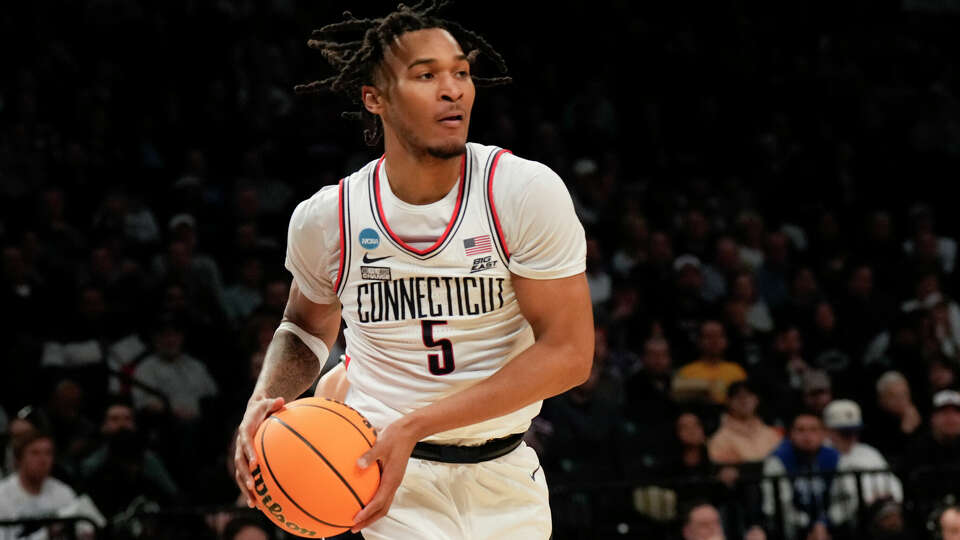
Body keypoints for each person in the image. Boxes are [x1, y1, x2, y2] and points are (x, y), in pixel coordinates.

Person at [232, 4, 593, 539]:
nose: (454, 91)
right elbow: (305, 328)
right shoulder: (328, 218)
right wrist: (262, 401)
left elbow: (569, 354)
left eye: (461, 73)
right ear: (374, 98)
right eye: (427, 75)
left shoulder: (520, 193)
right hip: (376, 475)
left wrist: (417, 424)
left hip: (505, 474)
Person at [821, 399, 902, 530]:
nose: (852, 437)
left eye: (855, 431)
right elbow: (846, 492)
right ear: (828, 431)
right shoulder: (822, 455)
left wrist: (887, 499)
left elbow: (893, 484)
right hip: (844, 521)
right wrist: (870, 499)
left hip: (880, 512)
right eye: (845, 432)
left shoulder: (867, 451)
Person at [762, 412, 840, 540]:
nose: (807, 435)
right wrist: (809, 525)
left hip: (829, 527)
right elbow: (778, 506)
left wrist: (824, 523)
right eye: (800, 430)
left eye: (813, 430)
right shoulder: (777, 460)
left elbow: (846, 500)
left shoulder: (834, 457)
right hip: (791, 528)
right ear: (791, 434)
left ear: (823, 434)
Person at [0, 431, 79, 540]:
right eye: (35, 453)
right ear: (19, 459)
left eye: (48, 453)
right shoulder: (2, 494)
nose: (43, 460)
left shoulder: (63, 492)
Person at [708, 381, 782, 465]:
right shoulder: (719, 440)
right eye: (738, 397)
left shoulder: (772, 434)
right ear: (728, 401)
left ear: (757, 400)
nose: (744, 400)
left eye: (749, 395)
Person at [673, 321, 747, 405]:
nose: (714, 341)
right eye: (708, 337)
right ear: (699, 341)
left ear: (726, 341)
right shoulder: (686, 371)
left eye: (718, 336)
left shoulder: (736, 371)